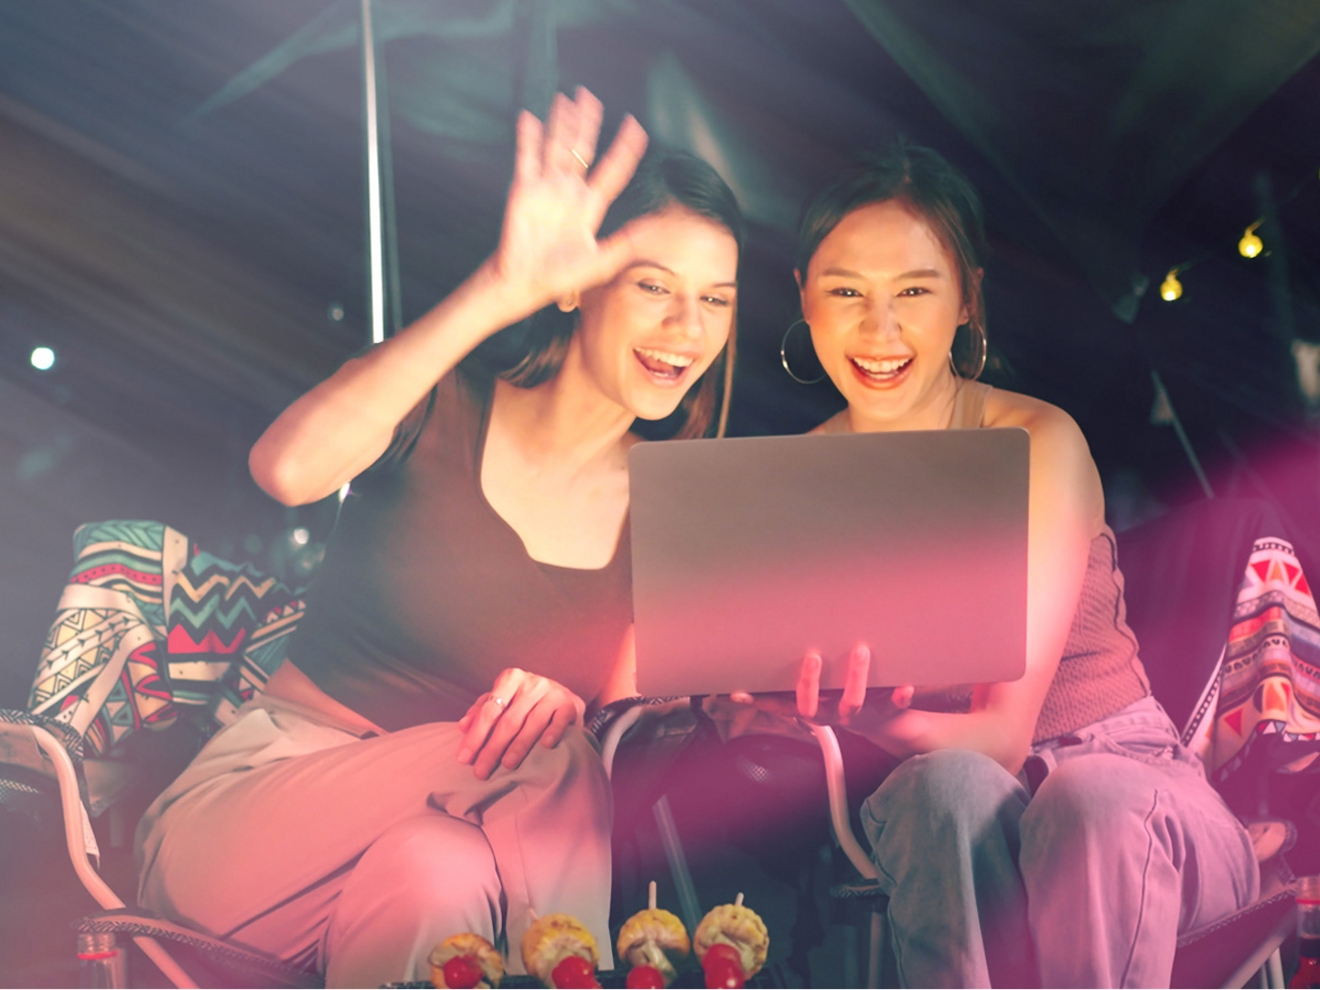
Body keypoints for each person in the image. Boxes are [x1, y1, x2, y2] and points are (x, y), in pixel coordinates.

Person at [134, 88, 744, 988]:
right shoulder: (442, 407)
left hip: (441, 852)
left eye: (716, 300)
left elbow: (629, 737)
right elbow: (285, 469)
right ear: (579, 282)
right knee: (544, 748)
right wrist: (500, 287)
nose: (687, 329)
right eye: (654, 286)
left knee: (441, 872)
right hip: (248, 830)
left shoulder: (671, 519)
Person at [760, 144, 1259, 987]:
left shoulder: (1036, 442)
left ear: (966, 298)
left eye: (914, 291)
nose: (879, 329)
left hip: (1131, 790)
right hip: (954, 813)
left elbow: (1001, 735)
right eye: (846, 292)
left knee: (1081, 801)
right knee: (936, 789)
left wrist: (866, 719)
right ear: (805, 295)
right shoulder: (790, 483)